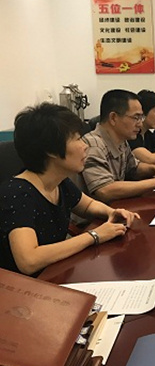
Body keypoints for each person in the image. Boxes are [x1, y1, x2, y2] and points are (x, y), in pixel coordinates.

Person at [0, 103, 138, 276]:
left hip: (55, 272)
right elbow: (29, 261)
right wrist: (94, 236)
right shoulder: (17, 194)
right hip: (24, 287)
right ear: (51, 150)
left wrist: (111, 212)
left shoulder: (59, 182)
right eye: (77, 139)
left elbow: (87, 206)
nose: (85, 145)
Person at [79, 89, 155, 203]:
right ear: (113, 118)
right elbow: (105, 190)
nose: (140, 124)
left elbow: (133, 168)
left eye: (141, 118)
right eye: (136, 118)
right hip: (99, 213)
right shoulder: (94, 145)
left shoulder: (121, 141)